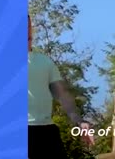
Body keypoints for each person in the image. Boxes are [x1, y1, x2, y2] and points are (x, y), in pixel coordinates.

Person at [28, 14, 95, 158]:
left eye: (28, 26)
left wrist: (79, 121)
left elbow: (62, 95)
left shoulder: (44, 62)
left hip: (46, 132)